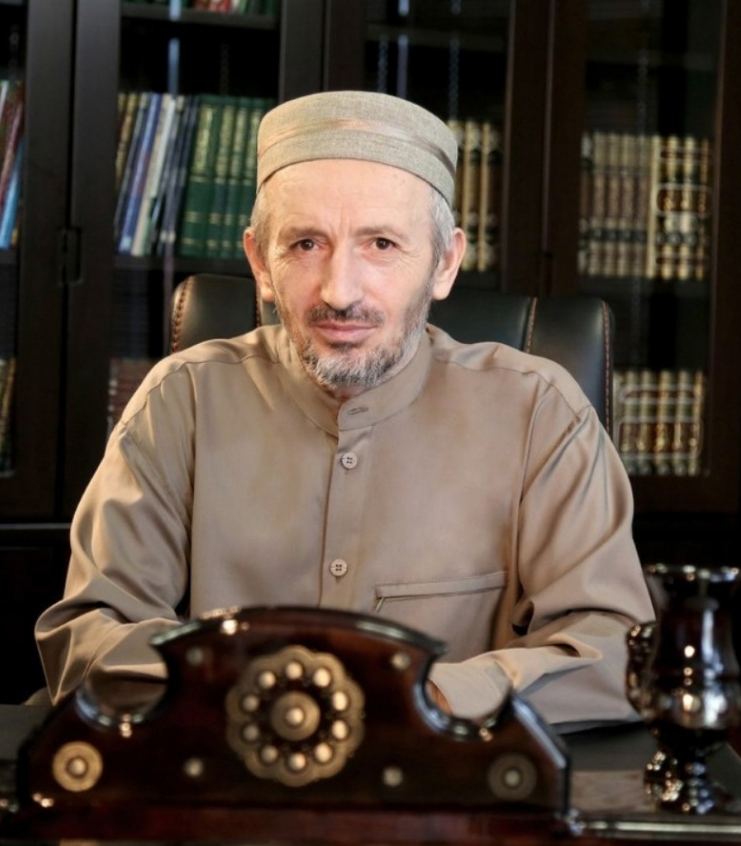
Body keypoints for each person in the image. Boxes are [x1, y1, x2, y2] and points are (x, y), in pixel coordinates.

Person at [35, 90, 654, 726]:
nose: (339, 291)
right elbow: (90, 639)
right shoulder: (181, 400)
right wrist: (270, 701)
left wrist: (423, 701)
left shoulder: (540, 413)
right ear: (261, 263)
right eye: (306, 244)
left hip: (450, 781)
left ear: (444, 264)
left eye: (381, 244)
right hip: (225, 777)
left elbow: (616, 652)